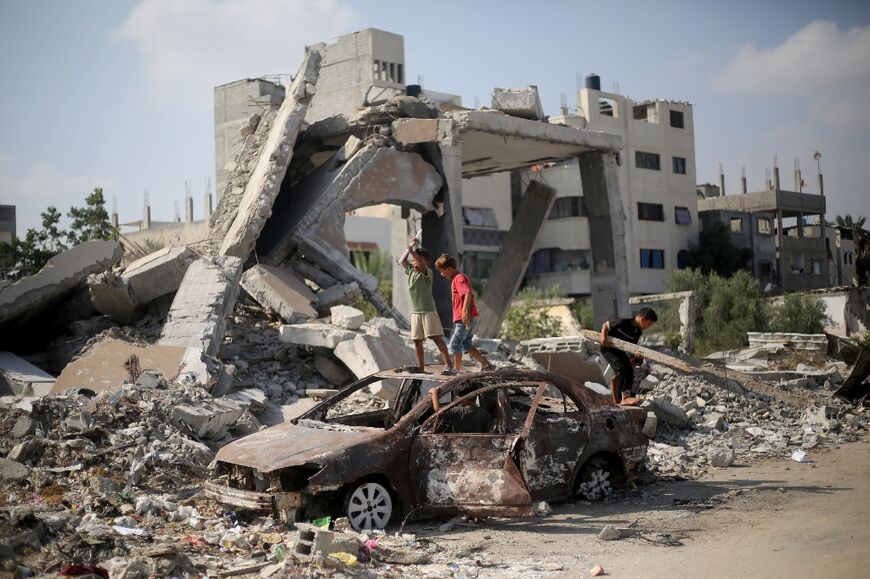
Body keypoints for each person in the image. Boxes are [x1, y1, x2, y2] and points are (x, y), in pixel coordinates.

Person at [434, 254, 494, 373]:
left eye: (442, 272)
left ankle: (456, 370)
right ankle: (485, 364)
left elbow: (467, 293)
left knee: (455, 344)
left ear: (449, 269)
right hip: (468, 316)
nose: (442, 274)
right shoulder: (459, 278)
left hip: (464, 317)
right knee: (466, 343)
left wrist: (464, 312)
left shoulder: (459, 278)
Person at [401, 242, 453, 374]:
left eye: (418, 260)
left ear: (427, 263)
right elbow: (402, 261)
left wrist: (412, 251)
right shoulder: (412, 271)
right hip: (416, 312)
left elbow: (421, 264)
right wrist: (409, 249)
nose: (415, 262)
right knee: (417, 341)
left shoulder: (427, 272)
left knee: (436, 337)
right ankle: (421, 367)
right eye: (413, 261)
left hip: (428, 311)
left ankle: (448, 365)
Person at [599, 307, 658, 405]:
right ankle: (625, 397)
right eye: (649, 324)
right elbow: (605, 325)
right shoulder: (623, 321)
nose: (648, 327)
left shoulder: (637, 332)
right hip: (608, 349)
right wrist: (603, 337)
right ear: (642, 319)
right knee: (622, 369)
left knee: (629, 370)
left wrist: (636, 356)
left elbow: (631, 347)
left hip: (620, 351)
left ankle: (619, 399)